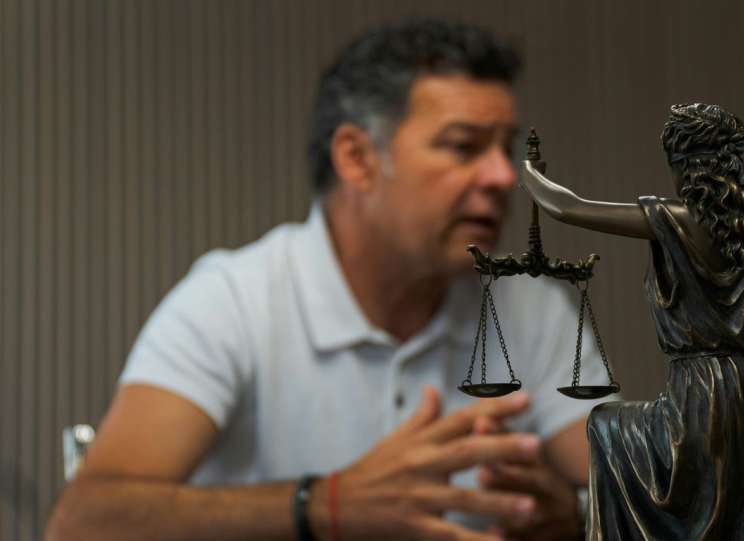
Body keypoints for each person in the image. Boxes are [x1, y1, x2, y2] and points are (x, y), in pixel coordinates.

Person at [46, 20, 613, 541]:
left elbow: (643, 497)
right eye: (463, 146)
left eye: (505, 149)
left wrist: (575, 514)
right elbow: (83, 522)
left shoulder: (532, 309)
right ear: (357, 158)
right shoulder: (235, 300)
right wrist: (324, 504)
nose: (503, 176)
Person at [520, 103, 744, 539]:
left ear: (684, 167)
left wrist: (531, 174)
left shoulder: (671, 218)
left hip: (701, 395)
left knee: (607, 428)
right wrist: (731, 332)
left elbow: (567, 207)